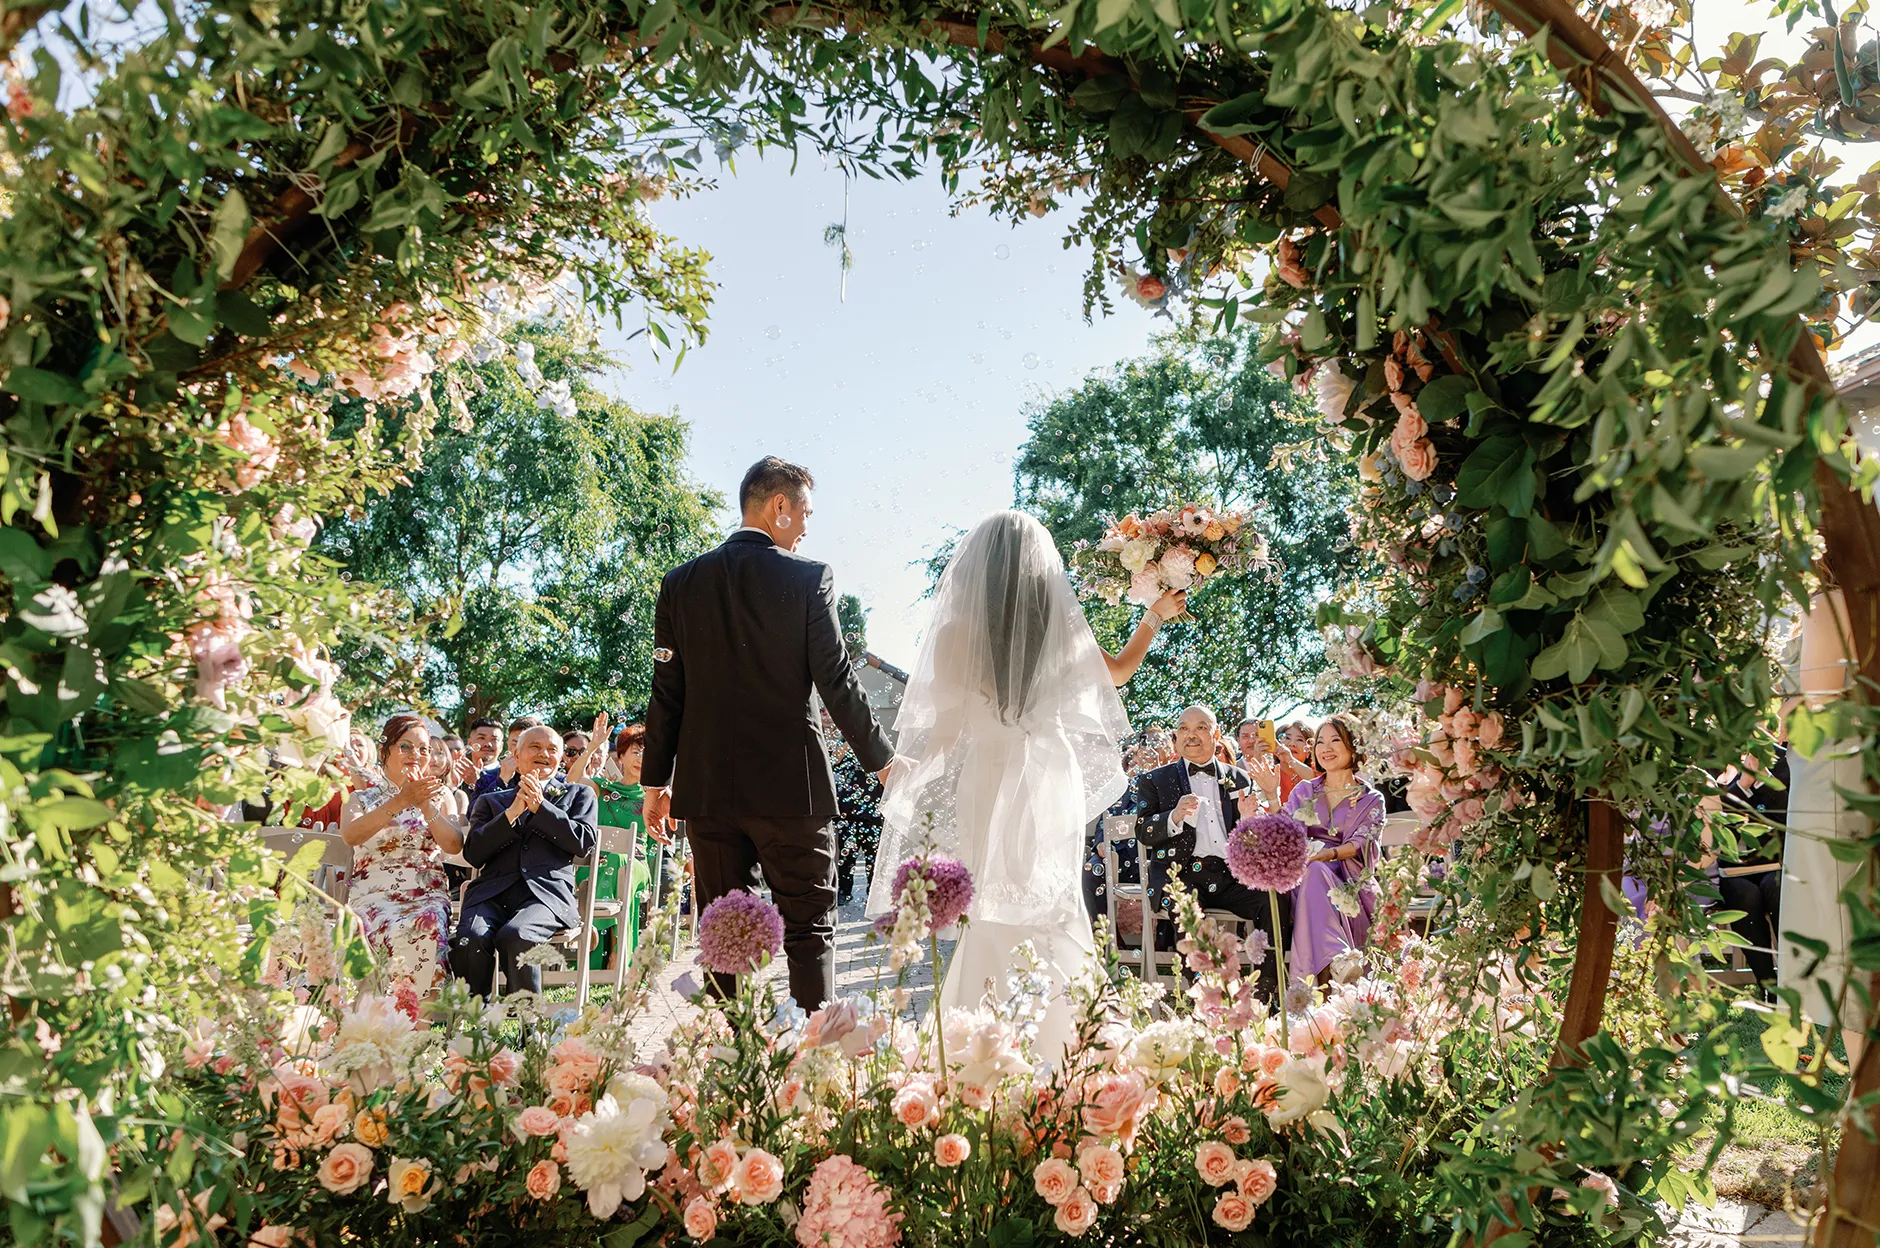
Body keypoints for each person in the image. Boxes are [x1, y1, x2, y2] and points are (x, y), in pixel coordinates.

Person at [874, 511, 1133, 1063]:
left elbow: (944, 733)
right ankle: (1075, 1039)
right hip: (1049, 772)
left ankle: (981, 1036)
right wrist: (1155, 615)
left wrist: (906, 773)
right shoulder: (1062, 626)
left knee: (987, 900)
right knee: (1055, 900)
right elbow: (1119, 673)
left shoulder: (954, 636)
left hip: (990, 769)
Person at [643, 456, 893, 1011]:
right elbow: (835, 677)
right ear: (780, 506)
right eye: (805, 511)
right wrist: (881, 760)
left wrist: (655, 782)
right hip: (792, 789)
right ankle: (817, 1057)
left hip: (708, 794)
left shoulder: (680, 583)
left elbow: (667, 691)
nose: (806, 527)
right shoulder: (809, 578)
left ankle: (735, 1064)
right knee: (809, 928)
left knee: (726, 934)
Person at [1134, 705, 1277, 995]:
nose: (1192, 735)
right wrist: (1173, 816)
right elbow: (1143, 830)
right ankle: (1206, 996)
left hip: (1231, 874)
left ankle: (1266, 992)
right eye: (1184, 728)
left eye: (1200, 727)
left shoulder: (1239, 778)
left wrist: (1250, 822)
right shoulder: (1154, 780)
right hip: (1180, 874)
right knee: (1186, 910)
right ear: (1175, 738)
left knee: (1271, 898)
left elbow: (1251, 839)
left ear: (1216, 734)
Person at [453, 726, 599, 997]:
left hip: (546, 897)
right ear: (516, 756)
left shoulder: (579, 795)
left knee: (517, 935)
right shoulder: (490, 801)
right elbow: (473, 854)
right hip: (492, 894)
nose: (544, 754)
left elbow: (583, 844)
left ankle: (528, 1026)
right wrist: (511, 814)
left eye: (552, 749)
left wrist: (540, 808)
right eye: (535, 747)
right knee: (468, 938)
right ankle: (475, 1023)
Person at [340, 715, 464, 993]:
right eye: (405, 746)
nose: (416, 755)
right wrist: (401, 801)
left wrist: (424, 805)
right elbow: (351, 836)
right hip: (372, 893)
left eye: (423, 749)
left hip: (425, 894)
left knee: (427, 924)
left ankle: (419, 1029)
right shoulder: (361, 797)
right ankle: (380, 1019)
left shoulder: (440, 794)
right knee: (384, 928)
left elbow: (454, 845)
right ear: (385, 751)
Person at [1269, 716, 1383, 982]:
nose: (1325, 748)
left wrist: (1329, 854)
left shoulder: (1371, 798)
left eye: (1335, 740)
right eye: (1320, 742)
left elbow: (1362, 842)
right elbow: (1283, 830)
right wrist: (1271, 795)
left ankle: (1313, 984)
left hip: (1349, 879)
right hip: (1303, 879)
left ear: (1354, 746)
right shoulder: (1305, 790)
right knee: (1314, 872)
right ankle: (1339, 959)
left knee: (1318, 869)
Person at [571, 715, 655, 972]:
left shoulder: (654, 795)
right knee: (608, 863)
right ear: (621, 756)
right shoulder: (602, 787)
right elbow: (571, 783)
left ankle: (618, 951)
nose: (641, 758)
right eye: (636, 752)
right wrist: (593, 746)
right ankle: (594, 949)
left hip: (636, 866)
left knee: (619, 862)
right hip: (596, 863)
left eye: (648, 753)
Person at [1715, 744, 1788, 991]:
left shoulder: (1782, 764)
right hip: (1732, 871)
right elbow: (1721, 828)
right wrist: (1743, 785)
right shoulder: (1716, 766)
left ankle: (1792, 979)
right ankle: (1767, 984)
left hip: (1775, 864)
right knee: (1745, 896)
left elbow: (1785, 821)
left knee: (1776, 887)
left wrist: (1763, 781)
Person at [833, 738, 885, 906]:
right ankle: (844, 892)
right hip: (848, 815)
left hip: (873, 816)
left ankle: (872, 895)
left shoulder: (877, 751)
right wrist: (850, 741)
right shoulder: (843, 745)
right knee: (846, 857)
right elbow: (833, 761)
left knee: (873, 858)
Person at [474, 715, 542, 797]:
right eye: (515, 743)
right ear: (508, 744)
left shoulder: (551, 777)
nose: (519, 750)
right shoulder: (488, 776)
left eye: (528, 745)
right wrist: (502, 780)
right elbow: (475, 808)